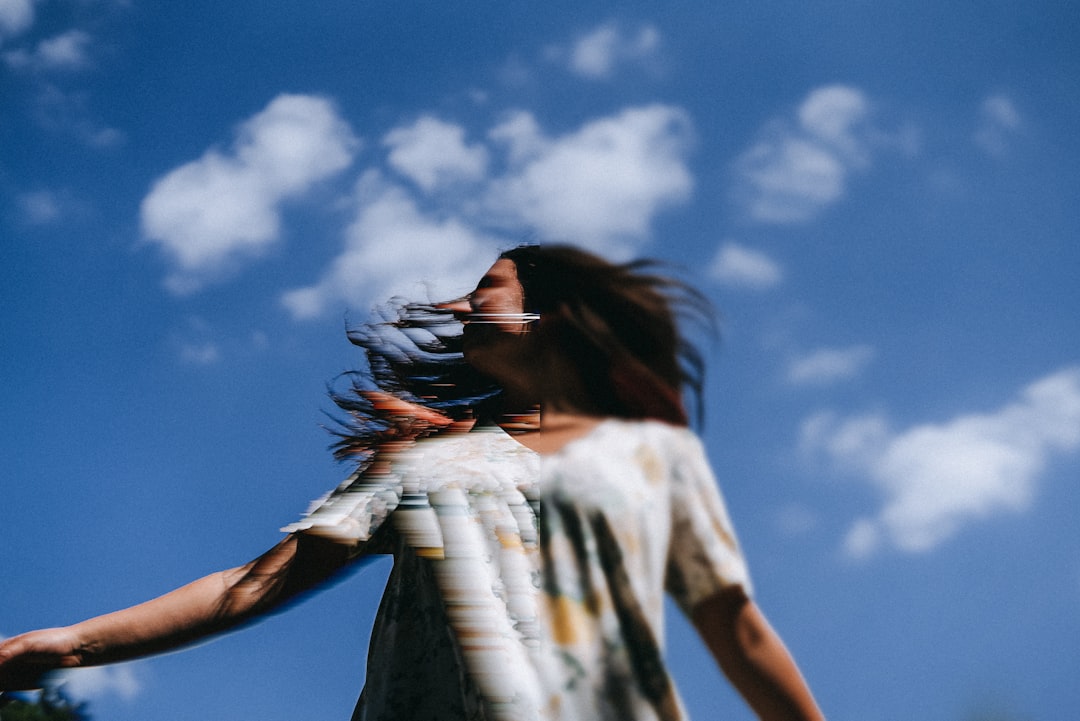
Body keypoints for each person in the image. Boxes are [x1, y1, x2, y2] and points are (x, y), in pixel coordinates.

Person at [0, 244, 824, 720]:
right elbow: (248, 588)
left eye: (486, 288)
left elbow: (737, 629)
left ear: (553, 316)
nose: (461, 303)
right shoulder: (422, 462)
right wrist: (61, 642)